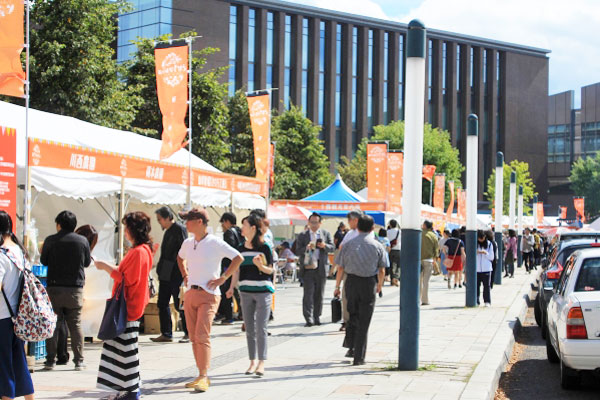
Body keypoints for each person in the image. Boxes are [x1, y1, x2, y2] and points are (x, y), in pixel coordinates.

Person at [176, 208, 243, 393]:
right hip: (191, 293)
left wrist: (224, 278)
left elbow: (238, 258)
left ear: (199, 221)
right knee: (193, 337)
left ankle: (204, 376)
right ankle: (200, 374)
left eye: (188, 220)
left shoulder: (215, 242)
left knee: (202, 335)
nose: (185, 224)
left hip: (209, 294)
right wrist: (185, 274)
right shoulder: (188, 242)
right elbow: (179, 258)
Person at [94, 212, 154, 400]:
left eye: (127, 227)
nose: (125, 232)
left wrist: (106, 267)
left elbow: (126, 279)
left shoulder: (137, 252)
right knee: (125, 348)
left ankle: (131, 390)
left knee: (125, 350)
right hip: (131, 306)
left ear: (132, 229)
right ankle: (130, 388)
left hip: (128, 307)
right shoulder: (144, 250)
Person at [334, 214, 388, 365]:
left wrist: (337, 286)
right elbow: (382, 269)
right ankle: (359, 356)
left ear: (357, 227)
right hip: (368, 283)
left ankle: (351, 347)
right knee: (365, 320)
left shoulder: (348, 245)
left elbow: (340, 268)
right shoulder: (378, 246)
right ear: (372, 228)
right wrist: (379, 285)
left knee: (353, 316)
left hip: (351, 282)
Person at [41, 210, 91, 371]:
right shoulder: (82, 241)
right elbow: (87, 262)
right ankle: (79, 361)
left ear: (59, 224)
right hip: (75, 289)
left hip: (54, 288)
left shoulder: (50, 240)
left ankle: (50, 360)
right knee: (75, 325)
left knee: (53, 324)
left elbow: (44, 261)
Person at [227, 214, 274, 377]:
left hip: (263, 291)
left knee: (261, 327)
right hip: (245, 292)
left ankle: (261, 362)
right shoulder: (240, 248)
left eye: (244, 225)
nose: (242, 229)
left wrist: (261, 265)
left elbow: (271, 270)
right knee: (249, 328)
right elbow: (236, 270)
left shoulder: (265, 247)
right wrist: (231, 288)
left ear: (253, 228)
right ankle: (252, 360)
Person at [0, 211, 35, 400]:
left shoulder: (1, 254)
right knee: (19, 363)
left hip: (2, 317)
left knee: (4, 366)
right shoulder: (19, 251)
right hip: (18, 316)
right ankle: (29, 397)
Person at [150, 207, 189, 343]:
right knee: (162, 303)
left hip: (177, 272)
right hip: (166, 272)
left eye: (160, 219)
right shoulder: (168, 231)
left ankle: (188, 333)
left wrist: (185, 272)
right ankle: (166, 333)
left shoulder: (179, 229)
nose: (159, 222)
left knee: (180, 303)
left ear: (167, 218)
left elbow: (184, 252)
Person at [295, 212, 334, 327]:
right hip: (308, 268)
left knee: (319, 294)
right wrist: (305, 249)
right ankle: (308, 318)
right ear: (308, 222)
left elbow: (332, 247)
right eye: (312, 222)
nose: (314, 225)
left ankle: (317, 316)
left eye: (316, 222)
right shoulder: (302, 235)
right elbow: (297, 251)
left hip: (321, 268)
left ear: (320, 223)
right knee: (308, 294)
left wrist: (324, 246)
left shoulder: (325, 234)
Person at [336, 210, 363, 331]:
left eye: (349, 220)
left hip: (358, 270)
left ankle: (354, 320)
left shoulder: (360, 233)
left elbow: (342, 248)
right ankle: (347, 320)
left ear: (355, 220)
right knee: (346, 297)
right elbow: (341, 247)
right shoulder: (350, 233)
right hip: (351, 269)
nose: (348, 223)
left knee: (354, 297)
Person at [217, 212, 243, 325]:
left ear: (227, 221)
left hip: (229, 266)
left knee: (226, 290)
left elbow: (229, 249)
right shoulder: (240, 231)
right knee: (237, 290)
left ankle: (228, 316)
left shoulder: (229, 233)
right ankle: (241, 314)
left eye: (223, 223)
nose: (222, 226)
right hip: (239, 265)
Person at [420, 220, 439, 306]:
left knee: (419, 281)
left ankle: (417, 298)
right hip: (429, 260)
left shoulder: (419, 233)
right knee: (426, 281)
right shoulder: (433, 235)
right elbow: (436, 249)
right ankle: (425, 300)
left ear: (424, 225)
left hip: (419, 260)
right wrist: (435, 259)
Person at [476, 230, 494, 307]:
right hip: (477, 269)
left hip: (487, 268)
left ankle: (487, 301)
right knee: (476, 286)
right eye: (479, 238)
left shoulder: (489, 244)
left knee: (486, 286)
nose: (481, 240)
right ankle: (476, 300)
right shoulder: (475, 244)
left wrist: (485, 253)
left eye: (482, 238)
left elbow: (492, 257)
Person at [386, 219, 401, 287]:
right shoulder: (400, 231)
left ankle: (392, 280)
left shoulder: (388, 232)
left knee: (391, 265)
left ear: (390, 225)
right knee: (398, 265)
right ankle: (396, 277)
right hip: (398, 249)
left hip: (390, 249)